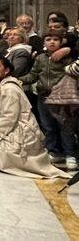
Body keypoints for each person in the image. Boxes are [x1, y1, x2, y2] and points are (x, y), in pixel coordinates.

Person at [0, 57, 69, 178]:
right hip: (12, 130)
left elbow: (8, 118)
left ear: (6, 70)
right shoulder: (0, 85)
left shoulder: (9, 88)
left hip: (21, 133)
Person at [19, 31, 75, 168]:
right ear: (44, 43)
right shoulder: (40, 58)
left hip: (62, 99)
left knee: (65, 127)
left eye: (56, 39)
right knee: (48, 126)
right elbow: (33, 75)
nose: (52, 42)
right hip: (43, 97)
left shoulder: (67, 58)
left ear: (61, 42)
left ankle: (69, 154)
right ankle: (53, 152)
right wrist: (18, 80)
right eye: (48, 39)